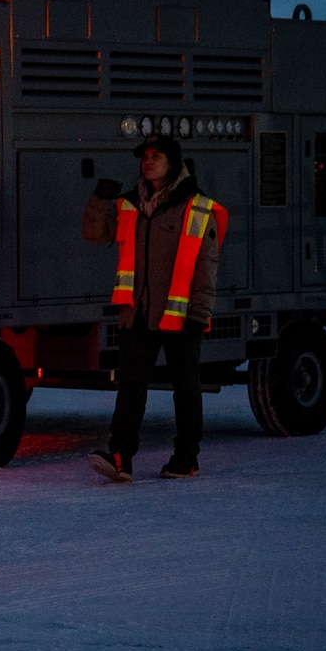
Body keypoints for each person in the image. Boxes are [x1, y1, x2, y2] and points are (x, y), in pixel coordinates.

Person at [82, 133, 228, 481]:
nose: (148, 162)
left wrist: (198, 314)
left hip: (181, 317)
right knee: (131, 386)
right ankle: (121, 456)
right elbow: (94, 233)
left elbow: (206, 268)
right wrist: (100, 200)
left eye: (156, 156)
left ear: (173, 163)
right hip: (138, 313)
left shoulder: (196, 207)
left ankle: (185, 458)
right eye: (145, 156)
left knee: (185, 388)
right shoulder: (130, 205)